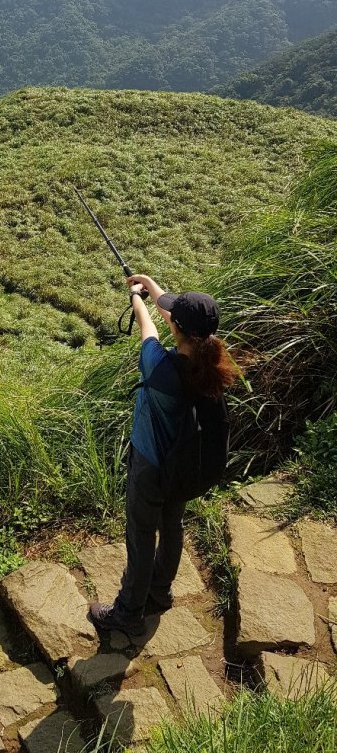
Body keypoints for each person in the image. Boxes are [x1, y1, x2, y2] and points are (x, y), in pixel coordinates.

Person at [88, 273, 239, 637]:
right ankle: (160, 590)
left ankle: (127, 612)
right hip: (183, 468)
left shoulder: (158, 364)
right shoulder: (209, 363)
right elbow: (174, 318)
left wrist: (137, 299)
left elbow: (149, 330)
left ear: (180, 330)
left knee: (141, 534)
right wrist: (151, 284)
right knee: (171, 524)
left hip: (151, 465)